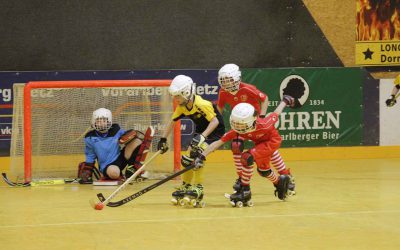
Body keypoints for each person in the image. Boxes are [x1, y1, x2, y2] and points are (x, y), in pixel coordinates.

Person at [192, 99, 294, 206]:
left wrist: (285, 101)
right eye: (236, 124)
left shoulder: (265, 124)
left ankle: (245, 190)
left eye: (242, 125)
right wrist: (202, 156)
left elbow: (276, 113)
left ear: (253, 121)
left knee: (246, 157)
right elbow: (218, 142)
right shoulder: (238, 129)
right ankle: (279, 183)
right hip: (259, 144)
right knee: (263, 171)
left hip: (271, 142)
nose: (239, 128)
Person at [216, 63, 295, 194]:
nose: (226, 84)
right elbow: (219, 108)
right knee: (236, 145)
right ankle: (241, 179)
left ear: (236, 78)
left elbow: (264, 99)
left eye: (229, 80)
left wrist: (262, 116)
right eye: (223, 81)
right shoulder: (223, 92)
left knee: (268, 149)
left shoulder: (248, 88)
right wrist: (218, 124)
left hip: (255, 122)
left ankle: (286, 175)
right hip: (239, 123)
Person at [157, 75, 225, 207]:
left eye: (177, 96)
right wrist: (163, 139)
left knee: (197, 155)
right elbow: (172, 121)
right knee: (186, 159)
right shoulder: (182, 105)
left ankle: (198, 188)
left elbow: (215, 121)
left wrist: (203, 136)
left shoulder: (201, 104)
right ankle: (186, 186)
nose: (175, 99)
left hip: (214, 133)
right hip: (201, 133)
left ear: (187, 92)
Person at [79, 108, 150, 184]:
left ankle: (132, 167)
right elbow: (90, 155)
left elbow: (130, 136)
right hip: (107, 165)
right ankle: (119, 175)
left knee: (137, 141)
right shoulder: (89, 137)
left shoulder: (116, 130)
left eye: (104, 121)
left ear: (109, 121)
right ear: (94, 122)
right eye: (98, 121)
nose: (101, 123)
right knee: (114, 173)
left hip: (120, 158)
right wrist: (87, 170)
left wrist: (132, 134)